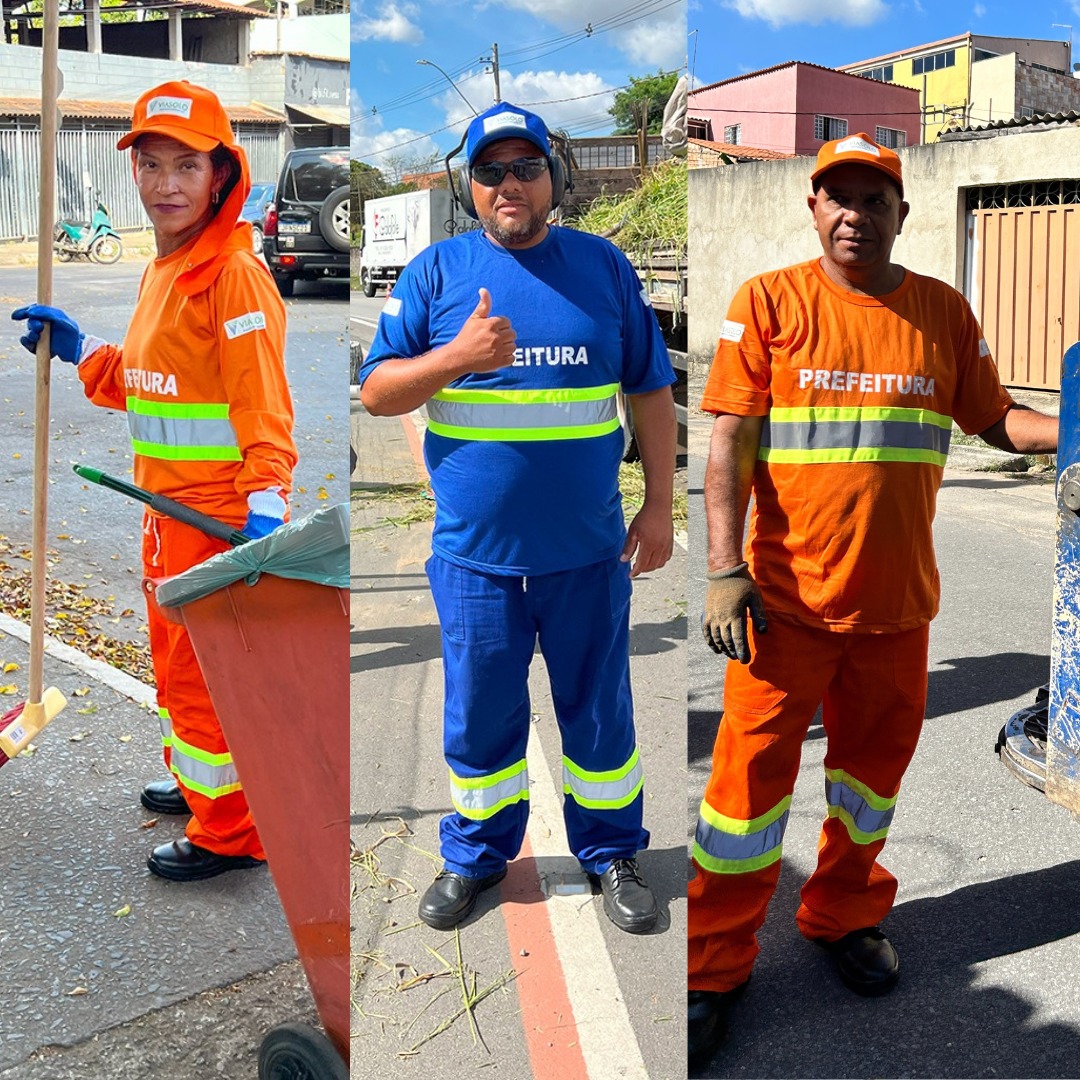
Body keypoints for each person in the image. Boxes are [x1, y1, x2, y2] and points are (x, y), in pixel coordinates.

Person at [687, 132, 1059, 1064]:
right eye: (837, 197)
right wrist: (722, 569)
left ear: (904, 211)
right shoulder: (768, 302)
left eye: (874, 197)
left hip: (898, 612)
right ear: (813, 208)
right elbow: (728, 439)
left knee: (867, 786)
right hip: (781, 607)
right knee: (742, 800)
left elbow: (999, 422)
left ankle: (843, 913)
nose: (855, 212)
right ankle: (711, 965)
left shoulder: (941, 312)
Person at [358, 101, 677, 934]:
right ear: (470, 186)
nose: (510, 183)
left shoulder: (604, 270)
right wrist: (457, 359)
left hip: (587, 553)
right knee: (480, 717)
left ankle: (611, 853)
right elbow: (377, 391)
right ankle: (477, 857)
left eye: (526, 167)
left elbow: (649, 387)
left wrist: (659, 507)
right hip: (476, 561)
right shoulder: (434, 275)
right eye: (492, 170)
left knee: (600, 713)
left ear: (554, 179)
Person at [13, 81, 297, 882]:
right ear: (132, 172)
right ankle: (197, 788)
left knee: (205, 681)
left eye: (186, 165)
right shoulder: (168, 267)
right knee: (176, 668)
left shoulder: (231, 276)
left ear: (220, 175)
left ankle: (231, 832)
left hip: (214, 520)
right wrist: (85, 351)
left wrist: (266, 504)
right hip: (163, 514)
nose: (167, 184)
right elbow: (154, 380)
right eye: (152, 164)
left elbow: (263, 404)